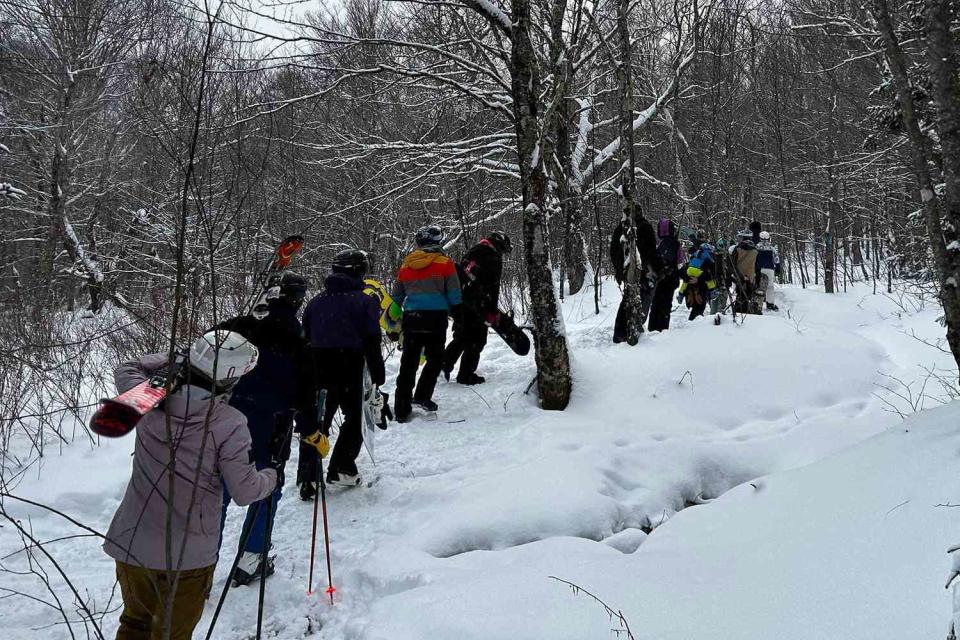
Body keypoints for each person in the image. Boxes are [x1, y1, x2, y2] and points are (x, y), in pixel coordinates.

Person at [103, 331, 280, 640]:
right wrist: (272, 476)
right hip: (188, 557)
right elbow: (246, 491)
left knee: (135, 625)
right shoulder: (229, 422)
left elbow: (127, 366)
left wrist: (177, 359)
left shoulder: (145, 397)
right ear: (229, 379)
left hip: (132, 544)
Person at [215, 273, 319, 584]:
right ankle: (251, 560)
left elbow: (205, 351)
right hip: (272, 431)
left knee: (216, 490)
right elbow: (306, 398)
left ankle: (202, 565)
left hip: (227, 425)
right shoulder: (300, 343)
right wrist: (312, 433)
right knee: (266, 489)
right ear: (298, 300)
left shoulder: (241, 328)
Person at [301, 249, 385, 487]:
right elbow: (372, 341)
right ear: (358, 271)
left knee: (318, 419)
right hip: (351, 365)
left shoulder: (315, 302)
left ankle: (307, 476)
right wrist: (378, 376)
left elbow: (304, 338)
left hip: (319, 366)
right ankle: (342, 468)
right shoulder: (365, 301)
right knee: (357, 417)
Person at [392, 225, 462, 421]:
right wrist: (457, 311)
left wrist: (393, 318)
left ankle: (401, 408)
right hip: (435, 318)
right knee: (435, 359)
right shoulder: (445, 263)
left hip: (412, 317)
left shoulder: (406, 264)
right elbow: (454, 293)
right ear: (437, 242)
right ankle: (422, 397)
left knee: (408, 363)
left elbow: (397, 295)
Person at [443, 231, 511, 384]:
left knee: (461, 337)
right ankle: (466, 375)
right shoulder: (493, 258)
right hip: (479, 305)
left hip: (461, 302)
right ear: (499, 245)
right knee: (477, 340)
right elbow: (494, 287)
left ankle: (443, 366)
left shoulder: (472, 251)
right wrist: (492, 311)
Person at [610, 203, 661, 343]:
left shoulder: (621, 229)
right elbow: (651, 251)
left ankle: (621, 334)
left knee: (628, 300)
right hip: (642, 272)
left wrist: (619, 271)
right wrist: (658, 269)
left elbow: (613, 252)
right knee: (640, 302)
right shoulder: (643, 227)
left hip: (628, 272)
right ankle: (631, 332)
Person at [648, 218, 684, 332]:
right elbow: (679, 262)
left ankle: (653, 327)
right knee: (665, 305)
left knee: (656, 304)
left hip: (660, 279)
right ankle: (662, 328)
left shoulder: (660, 244)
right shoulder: (675, 243)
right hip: (670, 279)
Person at [678, 241, 718, 321]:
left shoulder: (694, 257)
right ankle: (694, 326)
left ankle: (680, 295)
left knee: (697, 308)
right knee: (699, 308)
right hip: (700, 287)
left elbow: (681, 272)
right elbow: (711, 275)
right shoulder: (708, 259)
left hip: (690, 283)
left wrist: (688, 278)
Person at [728, 230, 763, 315]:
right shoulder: (756, 250)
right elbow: (758, 267)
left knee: (740, 295)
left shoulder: (737, 248)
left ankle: (739, 313)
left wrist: (730, 277)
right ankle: (746, 313)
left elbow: (732, 264)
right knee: (748, 295)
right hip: (751, 277)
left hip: (738, 276)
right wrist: (757, 280)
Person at [756, 230, 781, 311]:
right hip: (769, 269)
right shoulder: (772, 248)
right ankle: (770, 304)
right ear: (768, 238)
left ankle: (757, 303)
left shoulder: (756, 247)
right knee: (770, 287)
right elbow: (777, 259)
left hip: (759, 269)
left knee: (758, 286)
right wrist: (777, 269)